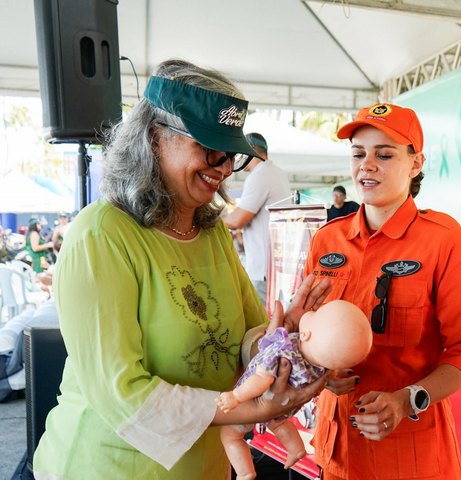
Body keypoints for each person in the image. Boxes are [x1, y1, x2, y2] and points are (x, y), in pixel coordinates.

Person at [32, 59, 331, 480]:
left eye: (231, 155)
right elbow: (124, 394)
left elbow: (245, 342)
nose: (224, 167)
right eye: (209, 149)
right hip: (106, 467)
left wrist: (281, 337)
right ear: (154, 138)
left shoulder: (211, 233)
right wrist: (250, 408)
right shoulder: (102, 235)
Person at [302, 103, 461, 479]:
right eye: (358, 154)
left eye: (384, 155)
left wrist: (408, 400)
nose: (367, 165)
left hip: (409, 458)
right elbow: (304, 327)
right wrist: (319, 370)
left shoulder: (447, 242)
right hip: (335, 448)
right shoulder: (327, 240)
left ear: (416, 163)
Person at [218, 300, 372, 479]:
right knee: (279, 423)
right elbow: (331, 371)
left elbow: (261, 378)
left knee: (230, 435)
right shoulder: (321, 365)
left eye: (316, 315)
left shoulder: (284, 350)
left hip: (254, 402)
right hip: (284, 407)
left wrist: (236, 396)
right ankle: (295, 449)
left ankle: (245, 472)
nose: (311, 313)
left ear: (305, 334)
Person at [223, 132, 291, 305]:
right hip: (275, 264)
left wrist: (210, 222)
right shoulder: (278, 173)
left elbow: (238, 220)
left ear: (250, 150)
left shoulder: (260, 175)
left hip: (262, 267)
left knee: (263, 324)